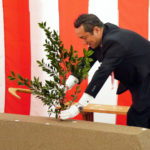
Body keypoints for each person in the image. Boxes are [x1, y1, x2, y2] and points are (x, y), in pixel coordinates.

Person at [59, 13, 150, 128]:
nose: (83, 42)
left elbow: (102, 74)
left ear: (96, 30)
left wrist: (79, 106)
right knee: (138, 117)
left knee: (138, 117)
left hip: (146, 78)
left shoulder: (115, 42)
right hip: (140, 80)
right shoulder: (102, 37)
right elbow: (86, 62)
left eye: (84, 37)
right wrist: (65, 87)